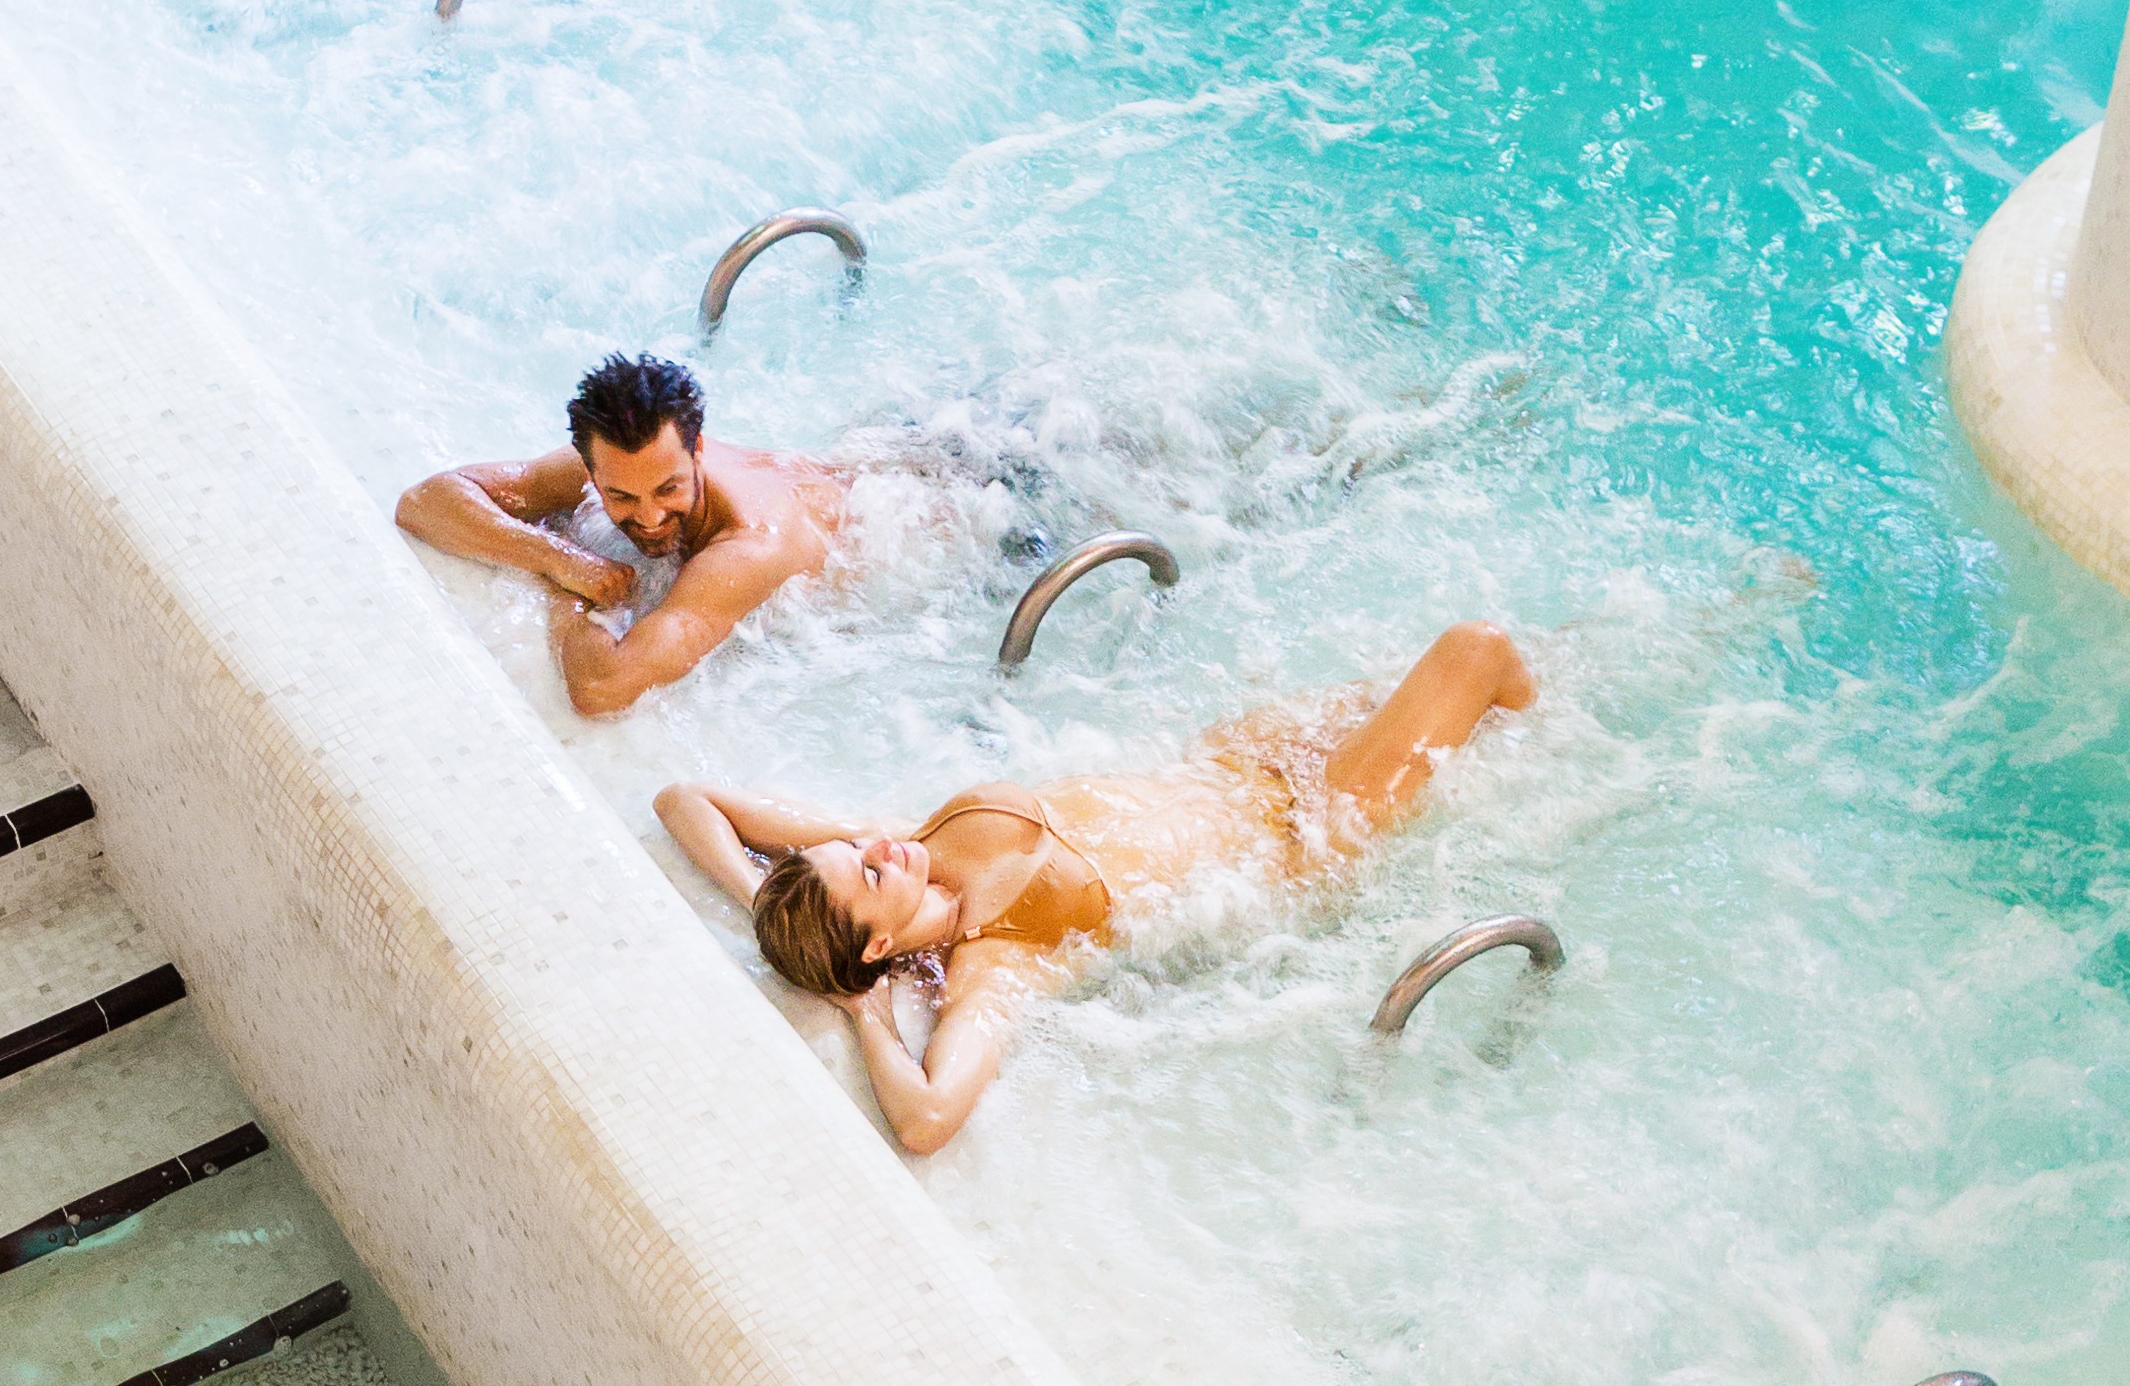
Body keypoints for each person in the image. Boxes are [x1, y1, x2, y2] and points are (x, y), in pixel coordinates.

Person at [656, 624, 1533, 1157]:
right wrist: (863, 1009)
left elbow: (684, 800)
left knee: (1513, 686)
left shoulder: (904, 843)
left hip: (1239, 758)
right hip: (1313, 825)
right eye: (870, 871)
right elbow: (926, 1119)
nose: (876, 847)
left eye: (855, 850)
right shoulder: (997, 965)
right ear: (878, 944)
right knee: (1479, 652)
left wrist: (763, 900)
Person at [395, 350, 851, 717]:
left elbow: (602, 688)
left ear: (697, 450)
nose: (650, 518)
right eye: (621, 496)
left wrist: (565, 591)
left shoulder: (749, 546)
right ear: (591, 469)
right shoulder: (616, 459)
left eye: (668, 489)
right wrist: (558, 558)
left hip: (874, 531)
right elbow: (424, 502)